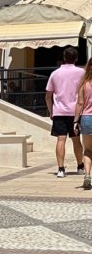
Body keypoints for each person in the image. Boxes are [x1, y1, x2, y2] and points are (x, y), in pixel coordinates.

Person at [46, 47, 85, 178]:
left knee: (60, 139)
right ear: (76, 58)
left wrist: (51, 110)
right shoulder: (81, 73)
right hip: (76, 112)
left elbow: (48, 95)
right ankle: (80, 166)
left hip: (59, 111)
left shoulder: (55, 73)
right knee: (76, 140)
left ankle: (61, 169)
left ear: (64, 57)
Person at [74, 58, 92, 190]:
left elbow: (80, 103)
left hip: (87, 118)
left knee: (88, 150)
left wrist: (75, 120)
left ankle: (87, 176)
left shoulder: (84, 84)